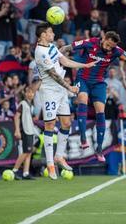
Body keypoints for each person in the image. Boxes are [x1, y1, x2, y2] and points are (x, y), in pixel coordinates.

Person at [59, 31, 126, 162]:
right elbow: (67, 48)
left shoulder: (116, 51)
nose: (108, 48)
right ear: (104, 38)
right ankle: (83, 136)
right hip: (82, 78)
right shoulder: (90, 43)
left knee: (101, 112)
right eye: (107, 44)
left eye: (111, 46)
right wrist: (55, 54)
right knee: (82, 99)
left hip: (99, 82)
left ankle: (99, 149)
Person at [34, 22, 96, 179]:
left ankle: (59, 156)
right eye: (50, 32)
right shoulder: (40, 52)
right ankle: (50, 163)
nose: (53, 34)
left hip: (60, 91)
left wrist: (85, 65)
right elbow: (54, 74)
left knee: (66, 123)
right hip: (49, 91)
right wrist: (70, 87)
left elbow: (65, 62)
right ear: (43, 35)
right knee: (49, 124)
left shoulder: (52, 47)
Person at [12, 86, 37, 180]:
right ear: (25, 94)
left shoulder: (31, 105)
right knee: (26, 152)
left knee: (29, 152)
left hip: (30, 130)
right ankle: (14, 170)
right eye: (28, 92)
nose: (30, 94)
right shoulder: (23, 103)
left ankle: (25, 173)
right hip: (25, 130)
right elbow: (16, 117)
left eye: (32, 92)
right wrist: (17, 130)